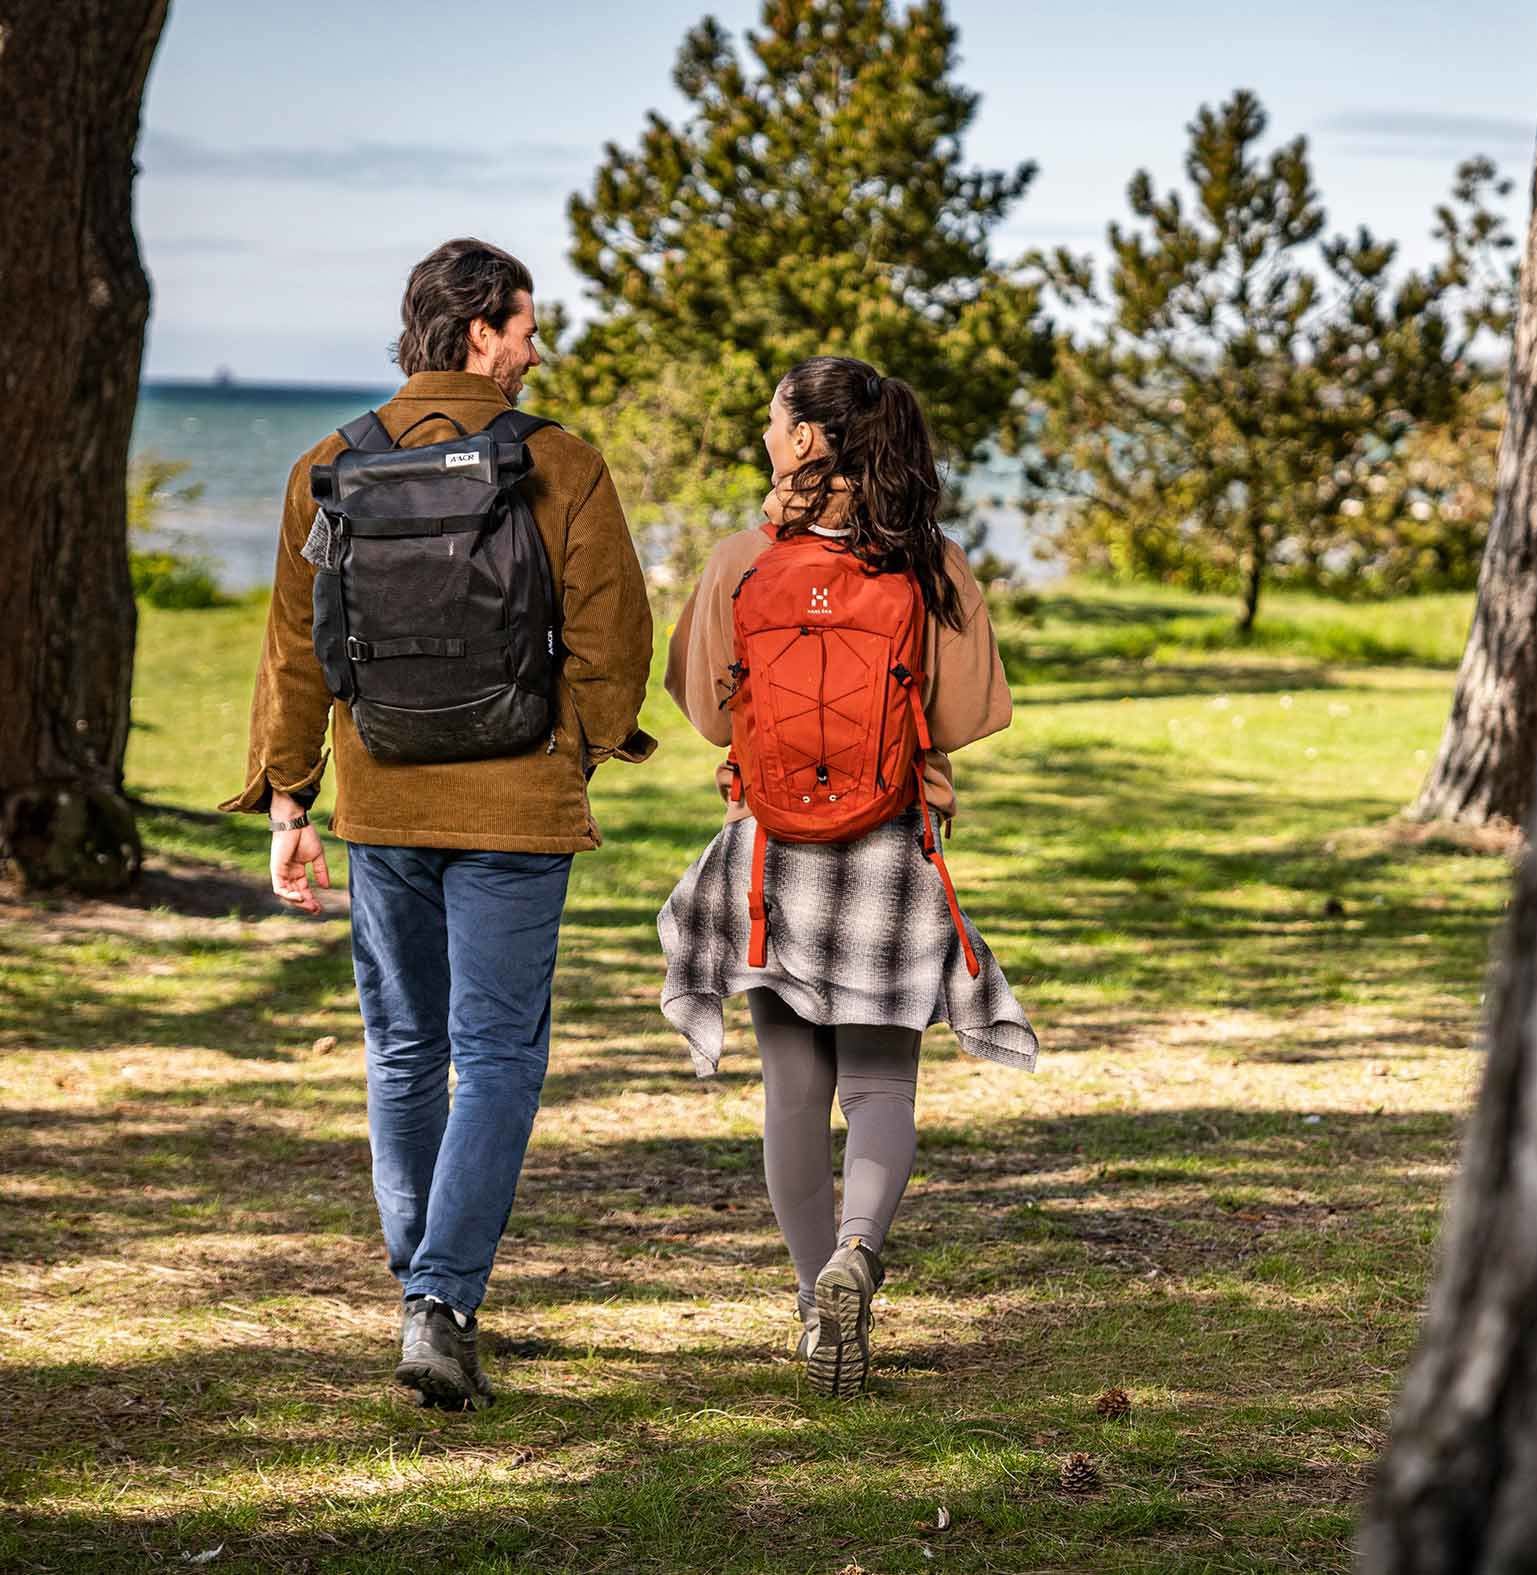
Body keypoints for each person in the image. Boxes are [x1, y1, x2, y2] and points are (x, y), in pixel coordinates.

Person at [219, 237, 656, 1408]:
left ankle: (426, 1290)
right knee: (500, 1053)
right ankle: (443, 1303)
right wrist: (575, 753)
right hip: (517, 806)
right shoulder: (559, 463)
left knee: (406, 1051)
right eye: (523, 324)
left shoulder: (330, 463)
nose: (532, 345)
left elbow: (297, 650)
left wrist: (291, 795)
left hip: (383, 802)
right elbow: (616, 643)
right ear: (478, 332)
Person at [659, 354, 1037, 1398]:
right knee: (879, 1083)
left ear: (807, 442)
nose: (765, 430)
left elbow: (701, 708)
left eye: (775, 419)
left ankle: (808, 1301)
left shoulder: (740, 561)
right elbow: (967, 715)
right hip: (888, 848)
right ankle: (856, 1257)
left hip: (772, 851)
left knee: (793, 1091)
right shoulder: (932, 565)